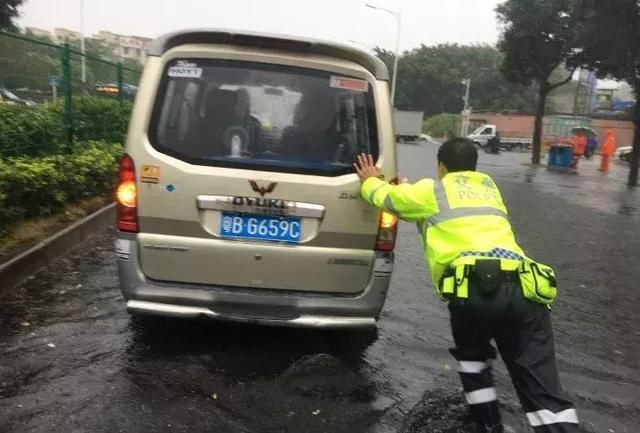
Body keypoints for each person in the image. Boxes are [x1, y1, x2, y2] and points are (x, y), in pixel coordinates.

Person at [353, 138, 580, 433]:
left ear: (441, 166)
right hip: (526, 288)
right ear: (474, 166)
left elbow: (387, 199)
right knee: (540, 384)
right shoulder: (489, 189)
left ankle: (487, 425)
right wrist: (405, 191)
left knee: (474, 360)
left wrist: (372, 180)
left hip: (474, 290)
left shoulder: (433, 190)